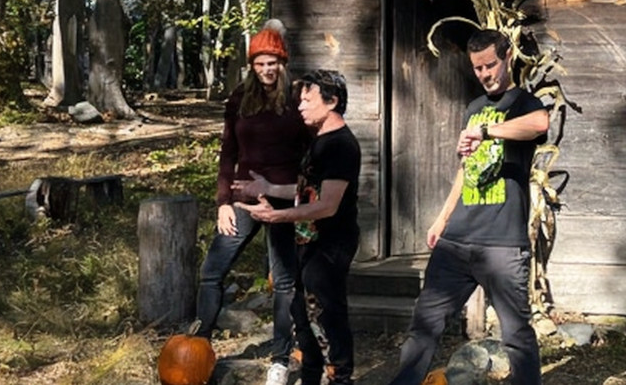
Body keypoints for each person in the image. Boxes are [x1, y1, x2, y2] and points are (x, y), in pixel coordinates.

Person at [387, 29, 548, 385]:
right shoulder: (473, 108)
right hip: (456, 240)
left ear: (507, 57)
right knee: (424, 326)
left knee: (517, 336)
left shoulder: (524, 103)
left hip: (502, 245)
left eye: (490, 65)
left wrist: (488, 131)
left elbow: (540, 125)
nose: (485, 74)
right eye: (477, 68)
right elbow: (466, 171)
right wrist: (441, 219)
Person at [194, 26, 311, 385]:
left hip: (281, 200)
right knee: (212, 271)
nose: (266, 69)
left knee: (285, 280)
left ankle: (279, 358)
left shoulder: (296, 99)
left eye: (272, 62)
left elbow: (312, 154)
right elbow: (228, 152)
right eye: (260, 63)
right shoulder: (240, 98)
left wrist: (300, 195)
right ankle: (199, 347)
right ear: (251, 65)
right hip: (242, 201)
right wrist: (223, 202)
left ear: (282, 62)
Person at [235, 69, 361, 385]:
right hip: (308, 241)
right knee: (302, 318)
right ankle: (309, 376)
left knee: (328, 318)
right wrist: (269, 187)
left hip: (330, 244)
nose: (300, 106)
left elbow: (327, 205)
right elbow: (308, 190)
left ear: (331, 102)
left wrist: (275, 217)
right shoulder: (318, 141)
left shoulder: (340, 145)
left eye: (307, 100)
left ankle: (340, 379)